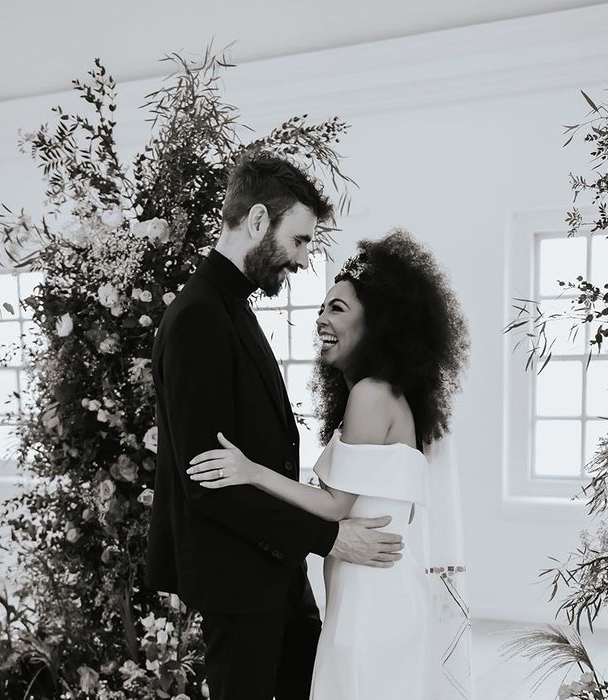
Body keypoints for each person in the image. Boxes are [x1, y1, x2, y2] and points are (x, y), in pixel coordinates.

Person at [145, 151, 405, 700]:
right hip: (238, 583)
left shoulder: (229, 306)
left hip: (274, 573)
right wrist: (331, 538)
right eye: (301, 240)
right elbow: (207, 482)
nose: (305, 259)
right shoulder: (199, 317)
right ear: (259, 221)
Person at [187, 230, 472, 699]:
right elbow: (401, 510)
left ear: (377, 324)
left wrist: (251, 471)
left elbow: (337, 506)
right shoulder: (395, 398)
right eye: (322, 307)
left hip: (370, 604)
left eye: (337, 309)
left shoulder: (369, 395)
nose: (321, 318)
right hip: (385, 595)